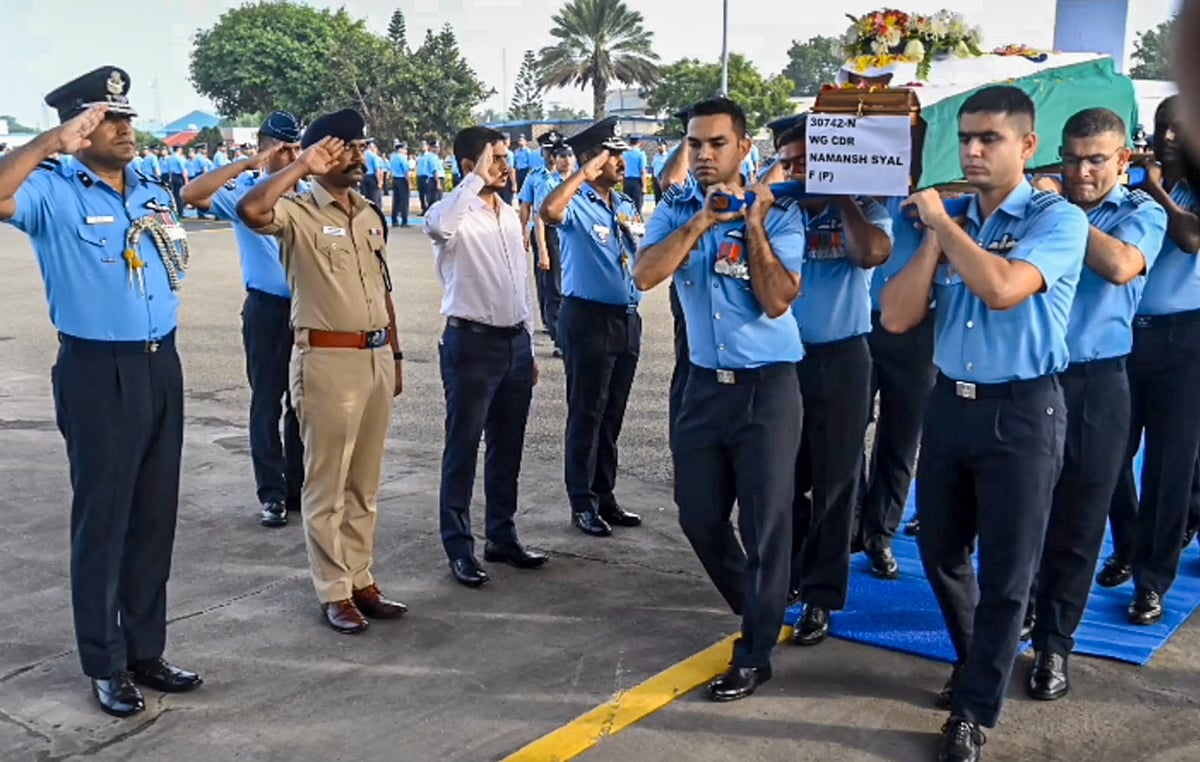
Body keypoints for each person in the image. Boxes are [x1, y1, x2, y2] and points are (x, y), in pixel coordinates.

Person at [881, 85, 1087, 761]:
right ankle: (980, 663)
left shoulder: (1056, 220)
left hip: (1023, 411)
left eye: (989, 138)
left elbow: (1003, 291)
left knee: (1007, 572)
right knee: (940, 550)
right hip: (950, 405)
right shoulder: (954, 219)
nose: (971, 150)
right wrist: (938, 237)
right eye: (966, 137)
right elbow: (897, 315)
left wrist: (945, 227)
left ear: (1027, 146)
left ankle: (973, 710)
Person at [0, 66, 203, 718]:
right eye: (106, 119)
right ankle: (105, 662)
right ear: (76, 128)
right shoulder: (50, 190)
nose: (124, 129)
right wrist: (46, 144)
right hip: (97, 372)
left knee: (153, 518)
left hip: (159, 365)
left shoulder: (150, 189)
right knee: (104, 523)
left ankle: (147, 649)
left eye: (126, 117)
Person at [633, 96, 807, 701]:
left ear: (742, 148)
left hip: (767, 389)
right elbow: (646, 274)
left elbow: (779, 298)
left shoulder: (781, 213)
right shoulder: (676, 207)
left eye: (716, 144)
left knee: (765, 526)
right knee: (699, 515)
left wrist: (751, 223)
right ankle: (759, 607)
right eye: (694, 145)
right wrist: (701, 222)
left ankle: (754, 649)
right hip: (703, 387)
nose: (703, 155)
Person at [237, 109, 407, 635]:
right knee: (326, 484)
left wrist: (396, 356)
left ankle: (361, 578)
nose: (358, 156)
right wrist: (301, 167)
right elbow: (250, 208)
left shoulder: (370, 214)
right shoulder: (296, 212)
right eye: (346, 147)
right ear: (320, 155)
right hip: (327, 360)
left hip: (375, 357)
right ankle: (334, 590)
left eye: (361, 147)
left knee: (365, 483)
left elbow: (384, 291)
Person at [1023, 108, 1166, 701]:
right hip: (1034, 381)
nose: (1083, 171)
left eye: (1097, 159)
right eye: (1074, 158)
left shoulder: (1142, 212)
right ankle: (1019, 616)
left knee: (1080, 523)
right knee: (1023, 517)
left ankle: (1055, 645)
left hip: (1098, 384)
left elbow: (1120, 266)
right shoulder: (1037, 207)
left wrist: (1061, 218)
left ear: (1122, 160)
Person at [773, 119, 893, 646]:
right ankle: (788, 577)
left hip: (843, 358)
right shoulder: (778, 210)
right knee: (782, 476)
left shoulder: (865, 207)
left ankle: (822, 596)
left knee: (836, 481)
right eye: (789, 160)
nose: (798, 169)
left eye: (806, 159)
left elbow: (871, 253)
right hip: (782, 361)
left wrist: (841, 197)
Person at [424, 126, 548, 588]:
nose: (505, 164)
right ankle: (459, 546)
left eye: (506, 156)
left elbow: (521, 285)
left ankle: (502, 534)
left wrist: (530, 344)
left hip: (513, 344)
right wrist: (474, 181)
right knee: (463, 447)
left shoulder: (510, 216)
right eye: (495, 157)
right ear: (468, 166)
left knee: (507, 446)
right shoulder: (453, 213)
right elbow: (437, 227)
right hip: (471, 345)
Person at [181, 111, 307, 528]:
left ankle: (298, 488)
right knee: (267, 402)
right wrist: (249, 163)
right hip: (268, 309)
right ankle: (271, 493)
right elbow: (192, 194)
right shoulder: (243, 191)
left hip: (307, 309)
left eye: (295, 147)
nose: (289, 155)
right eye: (281, 148)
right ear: (265, 146)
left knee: (302, 405)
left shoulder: (308, 191)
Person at [1101, 96, 1200, 625]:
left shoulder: (1174, 190)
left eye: (1178, 131)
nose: (1166, 139)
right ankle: (1129, 544)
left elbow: (1189, 238)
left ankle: (1152, 580)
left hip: (1186, 338)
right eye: (1161, 129)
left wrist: (1155, 187)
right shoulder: (1129, 192)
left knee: (1169, 465)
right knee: (1111, 452)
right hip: (1128, 335)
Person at [540, 117, 644, 537]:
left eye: (620, 154)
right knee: (587, 412)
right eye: (612, 154)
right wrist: (580, 172)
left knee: (612, 414)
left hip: (626, 319)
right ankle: (581, 501)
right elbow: (549, 211)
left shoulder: (625, 204)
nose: (621, 161)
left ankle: (605, 494)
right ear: (592, 158)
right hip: (588, 319)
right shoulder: (576, 201)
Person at [622, 135, 647, 213]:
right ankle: (638, 223)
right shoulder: (641, 154)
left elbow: (622, 169)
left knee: (627, 206)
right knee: (637, 207)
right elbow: (643, 171)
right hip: (637, 182)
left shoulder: (625, 154)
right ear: (639, 143)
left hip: (627, 180)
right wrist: (644, 187)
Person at [389, 140, 412, 227]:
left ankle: (394, 220)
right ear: (401, 149)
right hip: (402, 179)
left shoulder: (393, 157)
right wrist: (409, 183)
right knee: (404, 201)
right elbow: (406, 171)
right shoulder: (402, 158)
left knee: (396, 201)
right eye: (405, 149)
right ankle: (404, 221)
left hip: (395, 179)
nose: (406, 151)